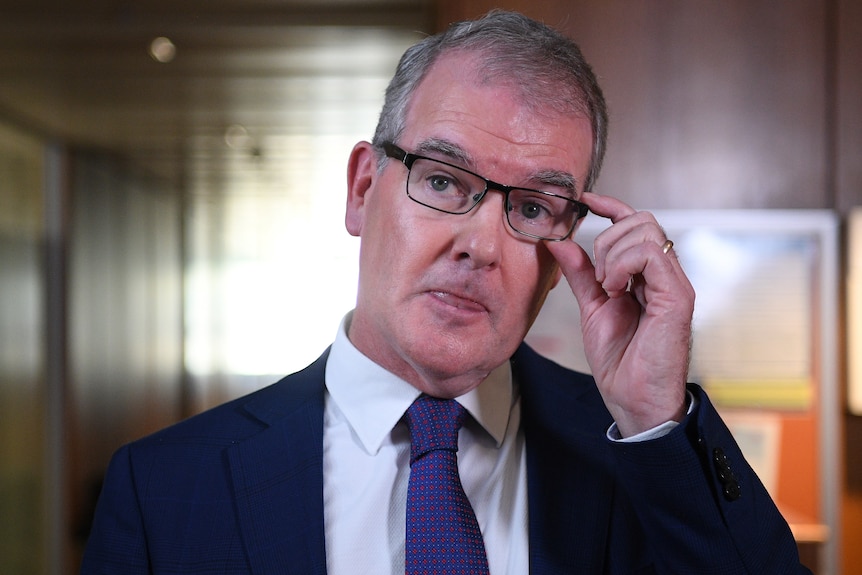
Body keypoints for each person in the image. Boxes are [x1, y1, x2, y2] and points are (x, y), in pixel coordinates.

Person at [81, 10, 810, 575]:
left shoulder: (640, 458)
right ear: (364, 189)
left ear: (560, 255)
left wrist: (657, 417)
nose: (480, 245)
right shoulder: (165, 487)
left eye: (530, 208)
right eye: (441, 180)